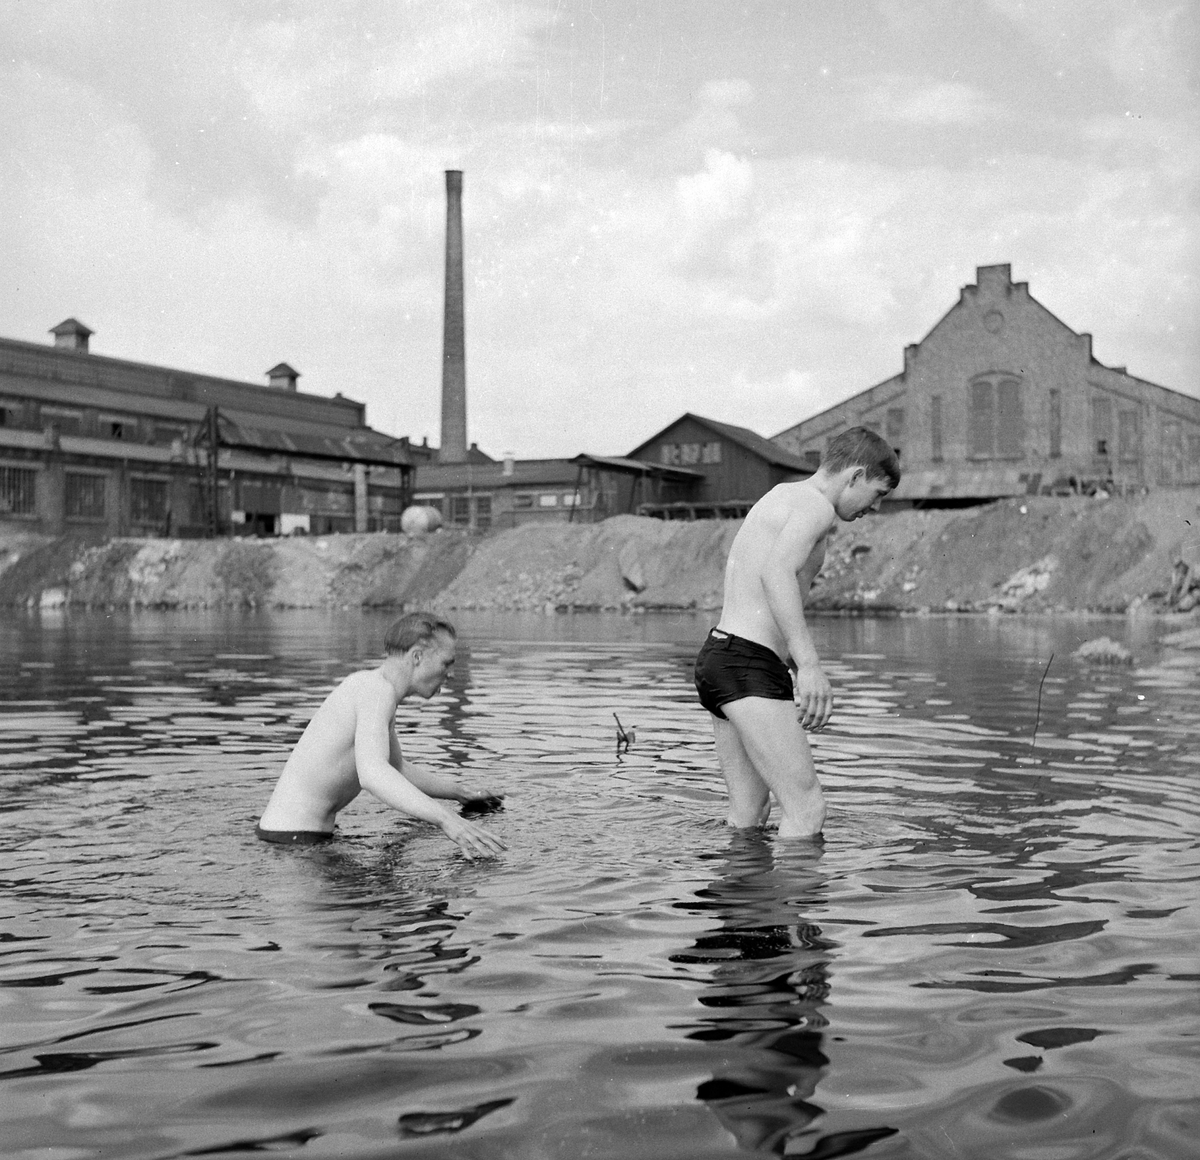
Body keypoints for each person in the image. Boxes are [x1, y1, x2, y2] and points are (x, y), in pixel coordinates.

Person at [694, 427, 900, 838]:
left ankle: (742, 901)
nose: (875, 508)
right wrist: (808, 666)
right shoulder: (816, 508)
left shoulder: (781, 495)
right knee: (806, 809)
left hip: (720, 657)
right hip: (748, 664)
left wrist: (784, 658)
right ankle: (791, 903)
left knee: (749, 811)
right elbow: (776, 573)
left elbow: (753, 579)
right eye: (878, 494)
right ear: (855, 476)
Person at [257, 612, 505, 858]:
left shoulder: (374, 688)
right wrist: (446, 819)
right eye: (447, 663)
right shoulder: (375, 692)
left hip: (290, 839)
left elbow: (394, 767)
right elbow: (373, 774)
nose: (450, 673)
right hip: (294, 845)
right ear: (417, 656)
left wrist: (460, 792)